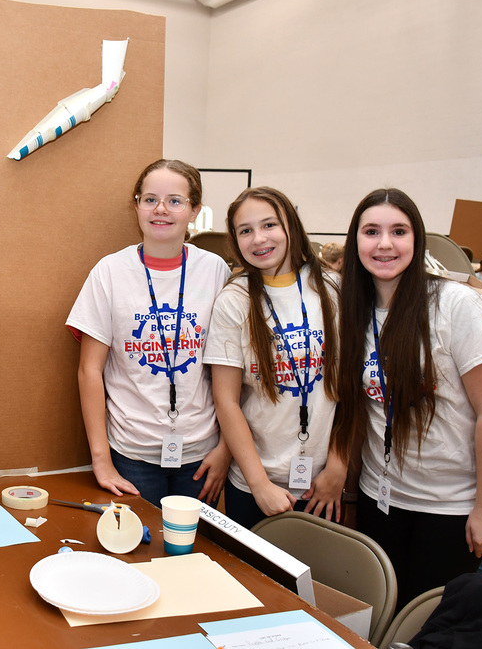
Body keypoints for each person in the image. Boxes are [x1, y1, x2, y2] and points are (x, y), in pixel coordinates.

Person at [331, 188, 482, 610]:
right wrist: (350, 495)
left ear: (417, 240)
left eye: (398, 231)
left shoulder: (455, 305)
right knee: (378, 619)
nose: (384, 244)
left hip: (449, 509)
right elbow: (358, 414)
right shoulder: (353, 310)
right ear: (356, 243)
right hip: (379, 499)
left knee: (429, 626)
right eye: (371, 232)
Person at [66, 159, 231, 508]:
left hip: (203, 455)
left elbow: (233, 370)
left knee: (194, 555)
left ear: (194, 210)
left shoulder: (215, 270)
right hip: (132, 454)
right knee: (140, 554)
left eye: (175, 200)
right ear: (137, 205)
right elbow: (89, 371)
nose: (161, 209)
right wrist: (101, 459)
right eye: (150, 199)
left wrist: (226, 449)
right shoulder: (110, 271)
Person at [205, 187, 344, 529]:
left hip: (323, 483)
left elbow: (350, 391)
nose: (259, 239)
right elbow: (227, 400)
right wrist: (259, 484)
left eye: (269, 225)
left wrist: (338, 468)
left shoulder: (333, 288)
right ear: (235, 240)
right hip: (254, 481)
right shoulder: (233, 300)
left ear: (290, 227)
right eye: (245, 230)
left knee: (319, 582)